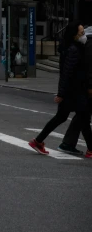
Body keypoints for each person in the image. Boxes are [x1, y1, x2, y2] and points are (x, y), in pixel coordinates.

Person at [29, 21, 92, 156]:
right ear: (74, 35)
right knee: (82, 118)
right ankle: (90, 149)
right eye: (81, 33)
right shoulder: (74, 50)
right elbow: (66, 73)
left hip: (73, 91)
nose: (84, 35)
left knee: (69, 118)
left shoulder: (73, 48)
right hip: (74, 92)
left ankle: (38, 141)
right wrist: (61, 94)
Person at [59, 28, 92, 157]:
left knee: (82, 115)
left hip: (84, 86)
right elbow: (89, 66)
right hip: (86, 87)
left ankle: (69, 143)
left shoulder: (86, 43)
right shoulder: (89, 44)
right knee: (83, 115)